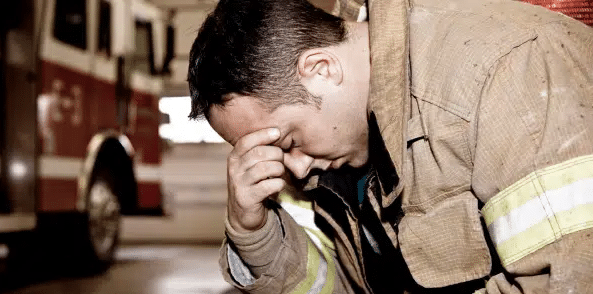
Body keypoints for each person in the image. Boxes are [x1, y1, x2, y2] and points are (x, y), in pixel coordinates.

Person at [187, 0, 593, 292]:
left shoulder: (504, 69)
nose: (294, 169)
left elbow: (570, 276)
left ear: (321, 69)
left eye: (289, 141)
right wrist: (252, 232)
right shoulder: (339, 154)